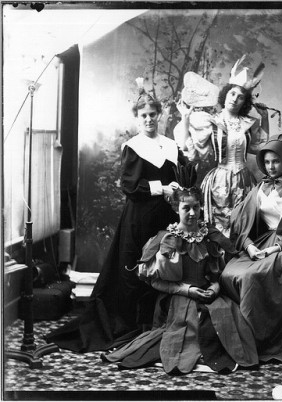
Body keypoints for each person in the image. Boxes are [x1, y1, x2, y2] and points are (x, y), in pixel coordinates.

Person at [46, 81, 186, 352]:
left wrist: (177, 187)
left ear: (159, 116)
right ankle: (131, 325)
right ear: (137, 118)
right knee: (135, 270)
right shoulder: (133, 146)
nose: (148, 119)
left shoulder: (170, 145)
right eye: (143, 116)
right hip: (139, 217)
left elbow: (176, 177)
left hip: (164, 217)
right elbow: (130, 186)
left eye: (152, 115)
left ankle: (156, 324)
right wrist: (162, 188)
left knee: (163, 266)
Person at [102, 186, 258, 374]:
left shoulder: (208, 235)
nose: (192, 213)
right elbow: (155, 282)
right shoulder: (166, 240)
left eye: (197, 207)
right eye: (186, 208)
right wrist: (186, 290)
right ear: (177, 208)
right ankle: (193, 351)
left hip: (206, 293)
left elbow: (214, 274)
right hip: (178, 296)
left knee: (226, 313)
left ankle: (214, 350)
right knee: (192, 319)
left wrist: (215, 288)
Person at [220, 134, 282, 361]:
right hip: (261, 243)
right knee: (229, 273)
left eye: (275, 161)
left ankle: (255, 341)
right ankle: (236, 335)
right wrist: (249, 247)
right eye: (266, 162)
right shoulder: (258, 188)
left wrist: (276, 249)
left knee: (252, 277)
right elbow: (241, 223)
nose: (271, 167)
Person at [174, 58, 269, 237]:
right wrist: (185, 119)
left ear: (245, 102)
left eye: (240, 97)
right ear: (225, 95)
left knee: (242, 225)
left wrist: (265, 119)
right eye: (232, 94)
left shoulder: (248, 123)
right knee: (220, 226)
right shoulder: (212, 121)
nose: (235, 99)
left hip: (244, 180)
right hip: (219, 180)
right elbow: (192, 151)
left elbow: (259, 147)